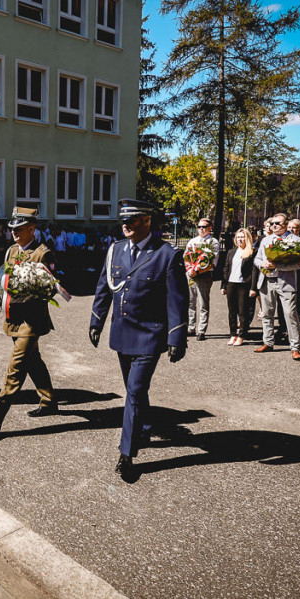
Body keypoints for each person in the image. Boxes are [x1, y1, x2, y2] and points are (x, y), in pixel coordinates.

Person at [89, 199, 187, 483]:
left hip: (149, 335)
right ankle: (143, 427)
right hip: (122, 333)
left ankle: (127, 454)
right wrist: (96, 321)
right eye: (124, 221)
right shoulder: (116, 250)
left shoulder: (167, 254)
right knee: (134, 391)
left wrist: (177, 337)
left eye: (132, 221)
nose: (125, 226)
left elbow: (177, 300)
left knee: (133, 391)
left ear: (147, 221)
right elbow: (103, 288)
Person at [0, 207, 58, 436]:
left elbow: (49, 290)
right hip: (14, 320)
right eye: (12, 228)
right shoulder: (12, 251)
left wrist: (23, 295)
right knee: (33, 361)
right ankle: (49, 400)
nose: (14, 232)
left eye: (19, 229)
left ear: (32, 229)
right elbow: (4, 278)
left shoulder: (43, 253)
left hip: (31, 322)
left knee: (16, 367)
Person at [253, 214, 300, 360]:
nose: (274, 226)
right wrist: (262, 264)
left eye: (278, 223)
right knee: (267, 314)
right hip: (267, 281)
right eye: (272, 223)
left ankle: (295, 347)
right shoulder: (266, 240)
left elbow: (299, 263)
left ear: (286, 224)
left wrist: (278, 265)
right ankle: (268, 342)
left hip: (286, 282)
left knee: (290, 315)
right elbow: (257, 258)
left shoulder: (295, 240)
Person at [220, 228, 258, 346]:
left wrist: (253, 288)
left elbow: (254, 271)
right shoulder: (231, 252)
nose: (240, 239)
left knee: (243, 311)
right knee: (232, 311)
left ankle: (242, 335)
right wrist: (223, 285)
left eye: (242, 237)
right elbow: (226, 269)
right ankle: (233, 335)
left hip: (244, 285)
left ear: (247, 238)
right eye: (238, 237)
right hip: (231, 283)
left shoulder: (252, 251)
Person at [185, 218, 219, 341]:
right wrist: (190, 269)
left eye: (204, 227)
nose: (201, 229)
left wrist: (198, 270)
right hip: (191, 275)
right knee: (190, 302)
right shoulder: (192, 241)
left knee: (203, 303)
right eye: (199, 227)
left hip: (204, 275)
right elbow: (186, 257)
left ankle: (201, 330)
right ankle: (190, 327)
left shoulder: (213, 242)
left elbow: (212, 263)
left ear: (210, 228)